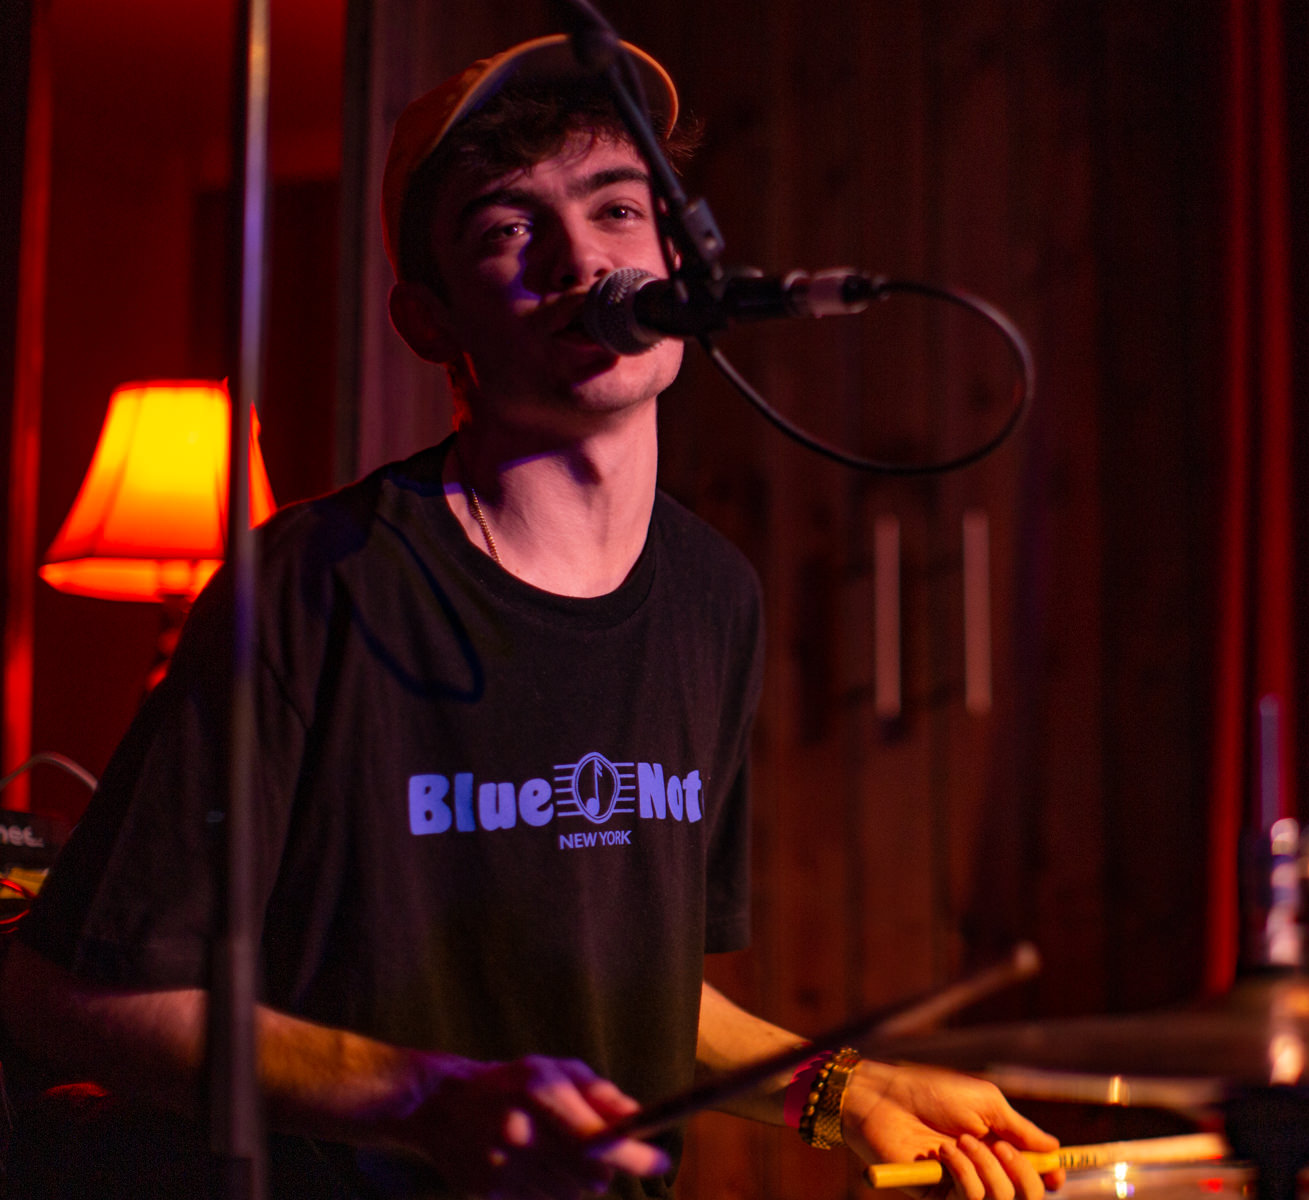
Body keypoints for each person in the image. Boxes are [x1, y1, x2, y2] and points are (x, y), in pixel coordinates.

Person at [0, 33, 1063, 1200]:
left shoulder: (714, 597)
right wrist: (426, 1098)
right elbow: (73, 999)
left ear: (677, 254)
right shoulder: (311, 584)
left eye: (618, 209)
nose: (580, 258)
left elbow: (644, 982)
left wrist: (842, 1088)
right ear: (428, 318)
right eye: (509, 230)